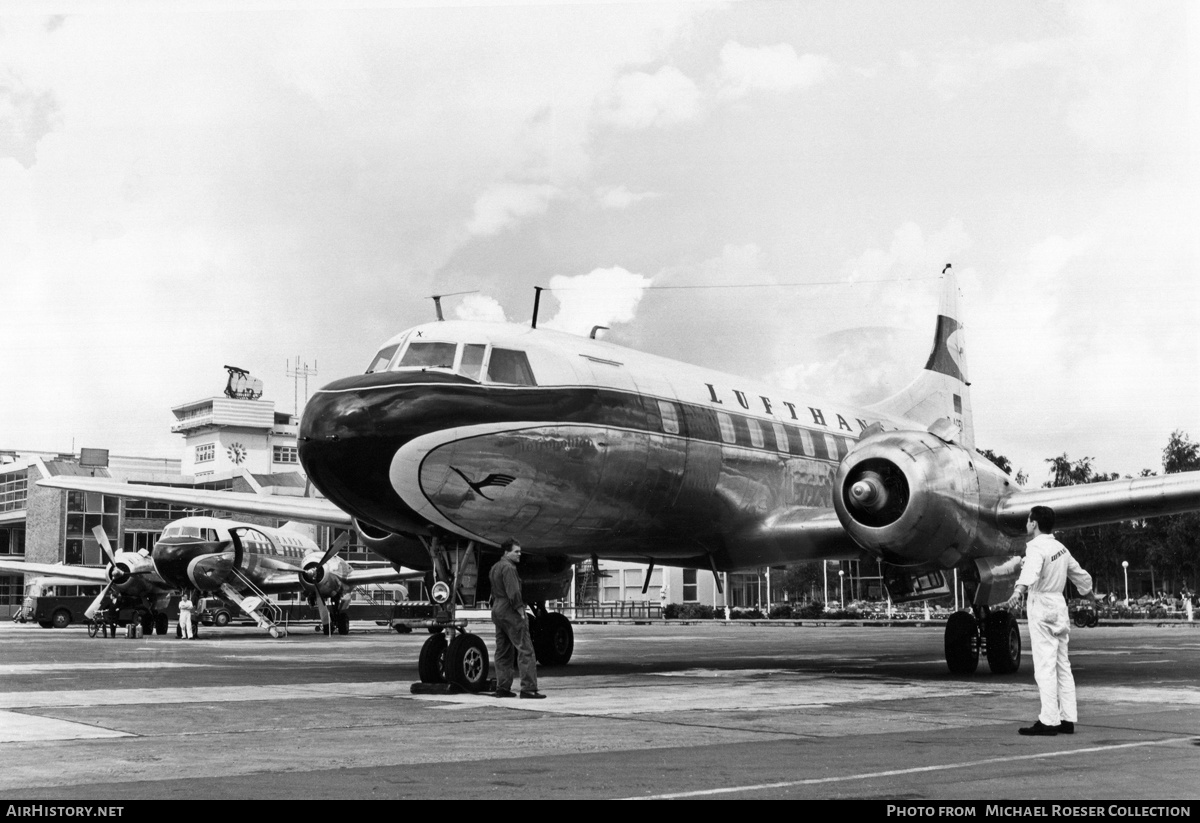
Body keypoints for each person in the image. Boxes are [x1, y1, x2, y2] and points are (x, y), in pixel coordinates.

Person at [1005, 505, 1096, 736]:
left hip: (1042, 604)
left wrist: (1018, 591)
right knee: (1062, 665)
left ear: (1034, 523)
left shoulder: (1036, 547)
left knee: (1045, 666)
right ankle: (1067, 719)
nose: (1026, 524)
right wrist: (1090, 596)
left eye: (1028, 520)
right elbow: (1080, 576)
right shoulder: (1061, 549)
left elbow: (1031, 571)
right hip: (1059, 605)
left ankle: (1048, 721)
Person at [488, 538, 543, 699]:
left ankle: (502, 688)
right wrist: (521, 611)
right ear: (507, 552)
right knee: (525, 649)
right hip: (510, 611)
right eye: (516, 551)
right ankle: (528, 688)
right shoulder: (509, 568)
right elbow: (514, 593)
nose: (520, 554)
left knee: (503, 650)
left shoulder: (495, 567)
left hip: (497, 610)